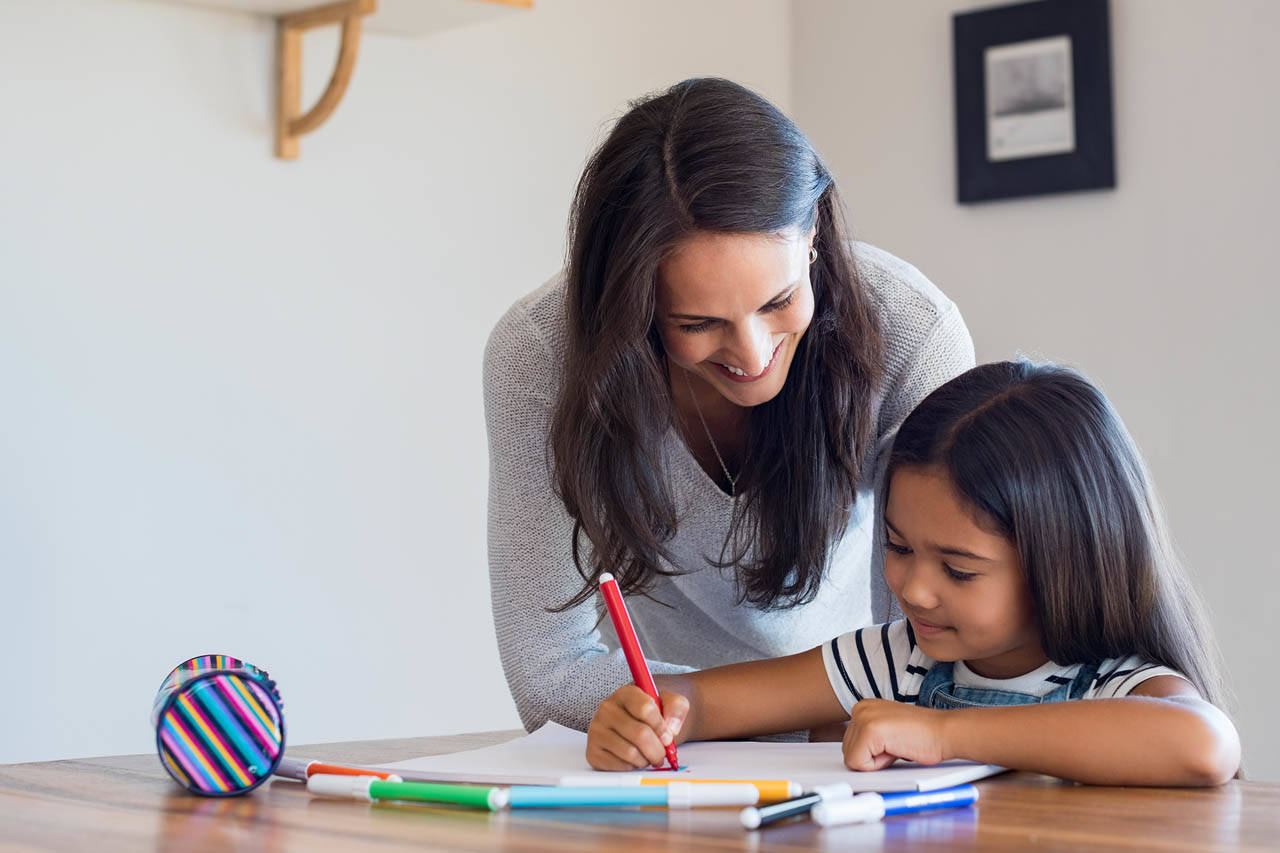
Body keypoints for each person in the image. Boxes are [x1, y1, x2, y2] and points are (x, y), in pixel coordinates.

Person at [484, 78, 974, 734]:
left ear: (814, 235)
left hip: (860, 739)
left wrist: (710, 707)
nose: (751, 354)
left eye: (778, 302)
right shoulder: (543, 352)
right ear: (633, 306)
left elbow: (936, 644)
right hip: (668, 758)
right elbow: (546, 668)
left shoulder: (913, 332)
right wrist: (655, 717)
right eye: (696, 322)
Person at [585, 361, 1241, 786]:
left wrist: (944, 733)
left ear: (1062, 562)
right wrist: (659, 715)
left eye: (959, 570)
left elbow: (1204, 743)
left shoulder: (1112, 682)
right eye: (897, 546)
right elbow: (710, 699)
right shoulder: (895, 659)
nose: (914, 589)